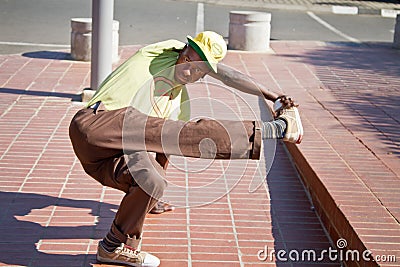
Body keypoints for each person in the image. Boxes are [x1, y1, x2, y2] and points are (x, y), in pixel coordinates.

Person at [69, 31, 303, 267]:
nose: (188, 68)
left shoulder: (178, 106)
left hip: (105, 160)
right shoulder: (160, 54)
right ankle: (275, 130)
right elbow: (228, 74)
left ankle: (114, 247)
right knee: (179, 130)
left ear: (203, 75)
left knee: (155, 177)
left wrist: (150, 196)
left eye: (198, 70)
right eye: (188, 59)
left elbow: (163, 150)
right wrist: (276, 97)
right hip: (95, 124)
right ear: (182, 51)